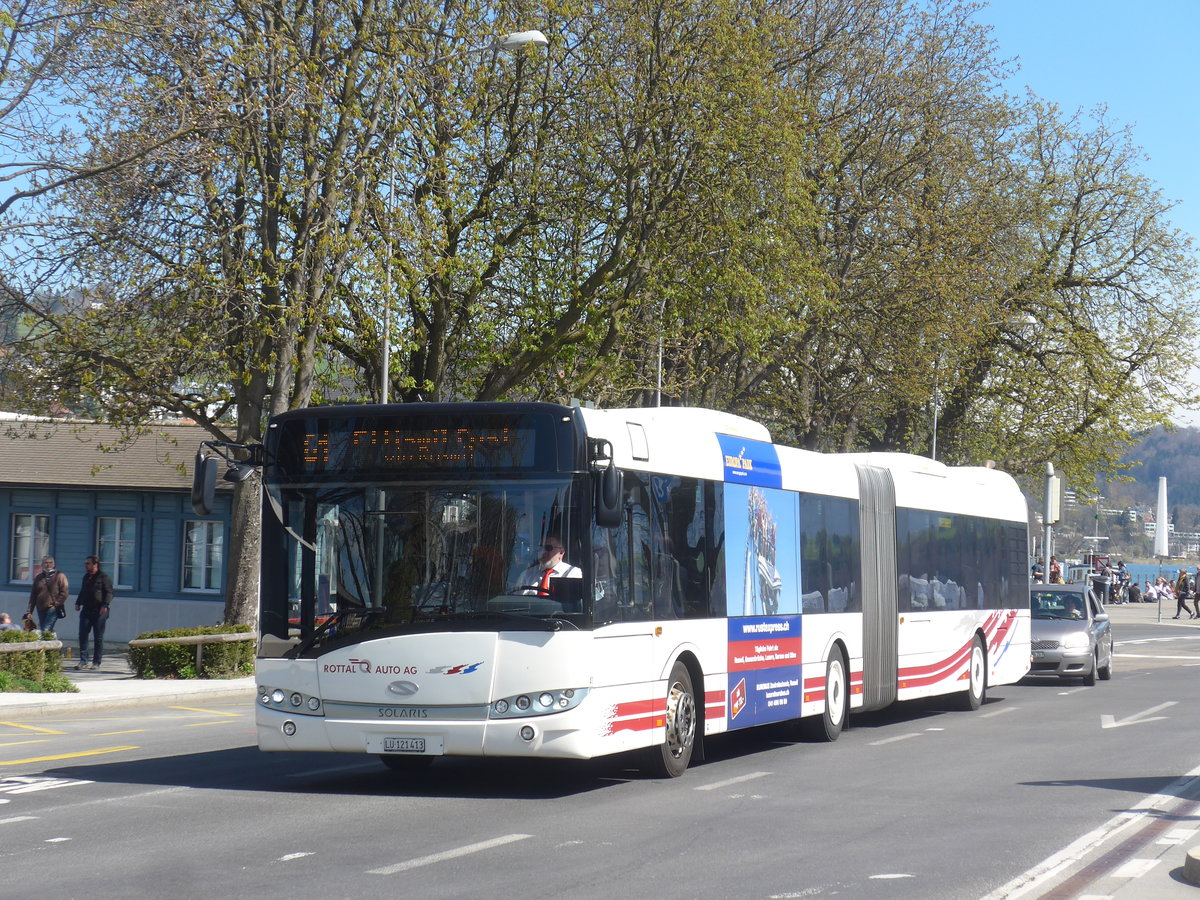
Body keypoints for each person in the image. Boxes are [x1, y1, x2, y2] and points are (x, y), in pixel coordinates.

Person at [74, 555, 113, 670]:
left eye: (88, 563)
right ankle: (83, 660)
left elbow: (109, 592)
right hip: (86, 609)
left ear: (95, 565)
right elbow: (83, 591)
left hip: (99, 610)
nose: (86, 566)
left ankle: (96, 662)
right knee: (82, 635)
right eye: (85, 564)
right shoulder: (86, 577)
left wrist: (105, 605)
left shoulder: (103, 577)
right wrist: (78, 602)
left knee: (98, 637)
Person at [516, 536, 581, 597]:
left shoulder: (573, 573)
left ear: (561, 552)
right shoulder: (527, 575)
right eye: (540, 548)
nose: (543, 552)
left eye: (548, 548)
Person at [25, 556, 68, 632]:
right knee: (45, 629)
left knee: (45, 629)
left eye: (50, 563)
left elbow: (64, 592)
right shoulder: (38, 578)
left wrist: (57, 604)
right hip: (41, 608)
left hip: (53, 608)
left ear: (54, 565)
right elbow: (33, 596)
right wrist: (29, 611)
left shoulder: (60, 576)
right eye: (46, 563)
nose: (48, 565)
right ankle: (51, 642)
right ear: (42, 565)